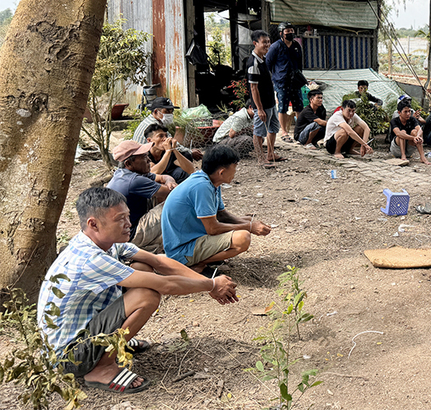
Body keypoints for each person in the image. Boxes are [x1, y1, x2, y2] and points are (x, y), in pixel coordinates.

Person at [37, 187, 238, 394]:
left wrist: (211, 283)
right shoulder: (90, 259)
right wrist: (211, 285)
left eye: (127, 216)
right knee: (146, 295)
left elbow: (159, 261)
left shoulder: (106, 244)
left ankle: (111, 345)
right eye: (120, 219)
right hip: (68, 357)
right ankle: (102, 368)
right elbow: (165, 285)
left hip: (83, 333)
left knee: (142, 267)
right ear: (93, 224)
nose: (128, 223)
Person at [161, 146, 272, 272]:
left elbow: (222, 215)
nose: (235, 172)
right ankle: (193, 264)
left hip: (193, 238)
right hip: (181, 250)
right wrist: (249, 227)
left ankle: (203, 257)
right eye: (234, 168)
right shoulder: (202, 187)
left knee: (245, 221)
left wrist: (249, 223)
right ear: (221, 172)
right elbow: (213, 229)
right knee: (243, 238)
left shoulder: (211, 181)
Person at [106, 141, 176, 253]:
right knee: (176, 203)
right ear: (128, 163)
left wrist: (169, 180)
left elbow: (163, 177)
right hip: (131, 234)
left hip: (124, 227)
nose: (149, 160)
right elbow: (172, 192)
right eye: (144, 157)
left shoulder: (125, 173)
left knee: (158, 192)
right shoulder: (134, 181)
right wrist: (171, 184)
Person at [247, 30, 284, 167]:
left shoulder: (263, 60)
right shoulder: (253, 64)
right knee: (259, 132)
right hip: (261, 106)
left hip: (270, 103)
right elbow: (253, 88)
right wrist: (260, 109)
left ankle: (270, 153)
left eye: (268, 42)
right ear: (255, 43)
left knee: (273, 128)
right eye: (264, 42)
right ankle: (260, 158)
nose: (267, 45)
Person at [265, 21, 304, 143]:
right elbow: (268, 64)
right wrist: (274, 78)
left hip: (295, 82)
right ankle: (284, 132)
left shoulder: (297, 46)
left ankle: (300, 131)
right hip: (281, 82)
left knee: (299, 106)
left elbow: (300, 63)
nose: (290, 33)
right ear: (281, 33)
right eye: (287, 32)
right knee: (282, 107)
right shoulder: (275, 47)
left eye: (292, 31)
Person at [133, 97, 202, 161]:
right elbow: (170, 143)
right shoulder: (154, 126)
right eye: (167, 111)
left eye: (171, 111)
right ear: (156, 112)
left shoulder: (152, 121)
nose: (170, 114)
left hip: (145, 154)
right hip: (145, 157)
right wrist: (190, 152)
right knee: (186, 155)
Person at [390, 99, 431, 164]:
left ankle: (422, 157)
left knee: (415, 132)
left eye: (409, 111)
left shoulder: (412, 119)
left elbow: (419, 129)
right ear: (399, 113)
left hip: (409, 149)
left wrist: (417, 136)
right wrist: (413, 138)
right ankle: (403, 155)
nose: (408, 114)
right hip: (397, 149)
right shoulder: (394, 121)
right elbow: (398, 134)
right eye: (405, 112)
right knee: (402, 132)